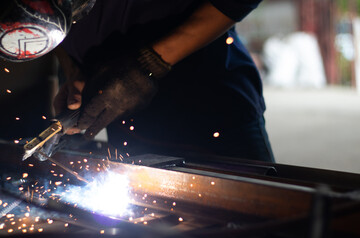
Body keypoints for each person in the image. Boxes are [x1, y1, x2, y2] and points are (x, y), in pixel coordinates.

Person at [2, 0, 275, 162]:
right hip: (121, 115)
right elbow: (51, 19)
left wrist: (151, 62)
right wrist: (73, 68)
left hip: (209, 103)